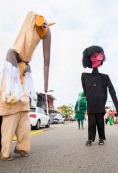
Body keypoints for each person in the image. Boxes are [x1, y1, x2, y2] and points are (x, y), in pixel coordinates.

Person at [0, 11, 54, 161]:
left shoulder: (26, 63)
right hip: (10, 96)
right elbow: (9, 79)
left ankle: (21, 147)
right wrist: (11, 94)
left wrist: (31, 96)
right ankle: (5, 153)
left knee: (24, 126)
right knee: (9, 126)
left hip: (22, 99)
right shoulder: (12, 54)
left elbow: (29, 84)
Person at [81, 45, 118, 146]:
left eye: (100, 55)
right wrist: (91, 98)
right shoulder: (85, 76)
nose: (99, 57)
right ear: (89, 58)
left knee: (100, 122)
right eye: (95, 56)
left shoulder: (105, 77)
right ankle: (90, 138)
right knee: (91, 122)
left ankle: (101, 138)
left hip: (100, 104)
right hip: (91, 104)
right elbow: (85, 90)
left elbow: (112, 92)